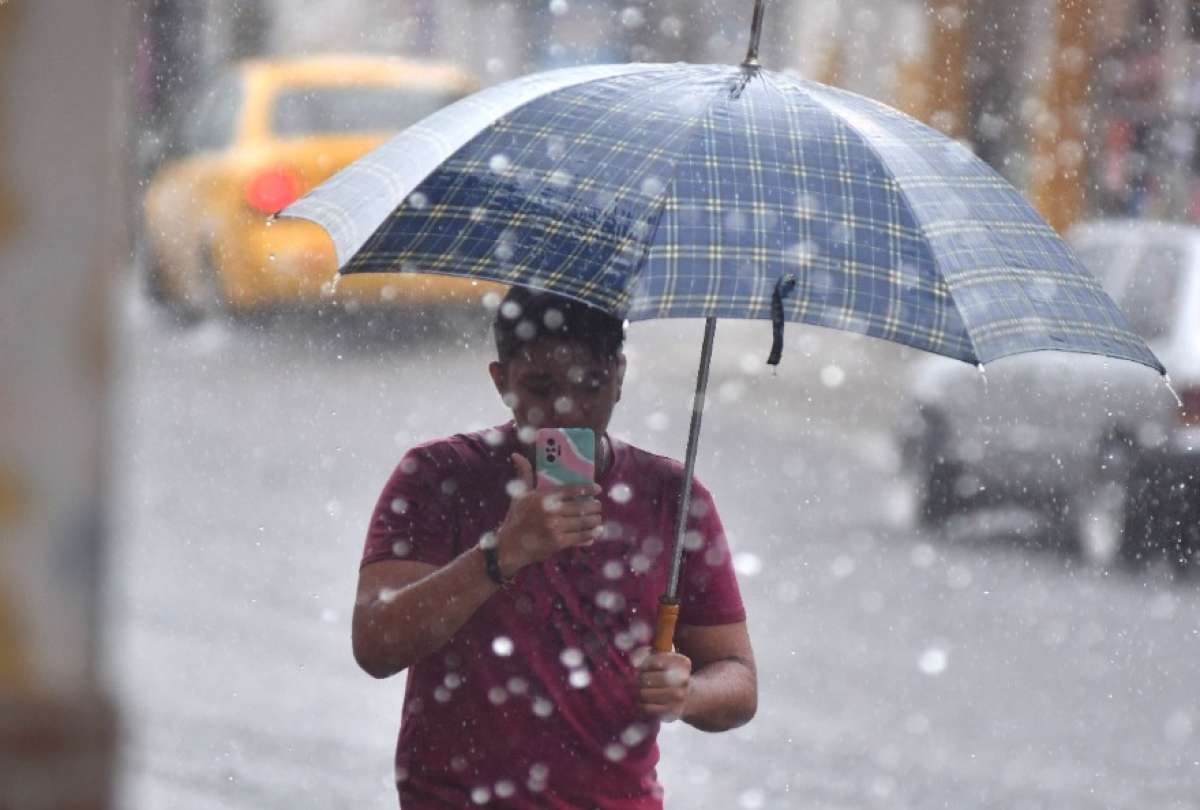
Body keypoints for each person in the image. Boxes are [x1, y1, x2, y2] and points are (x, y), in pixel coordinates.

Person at [352, 286, 757, 808]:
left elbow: (738, 679)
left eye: (590, 384)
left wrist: (689, 693)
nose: (567, 409)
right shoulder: (436, 477)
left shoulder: (673, 499)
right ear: (502, 382)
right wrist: (503, 553)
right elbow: (376, 643)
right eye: (541, 386)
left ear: (620, 377)